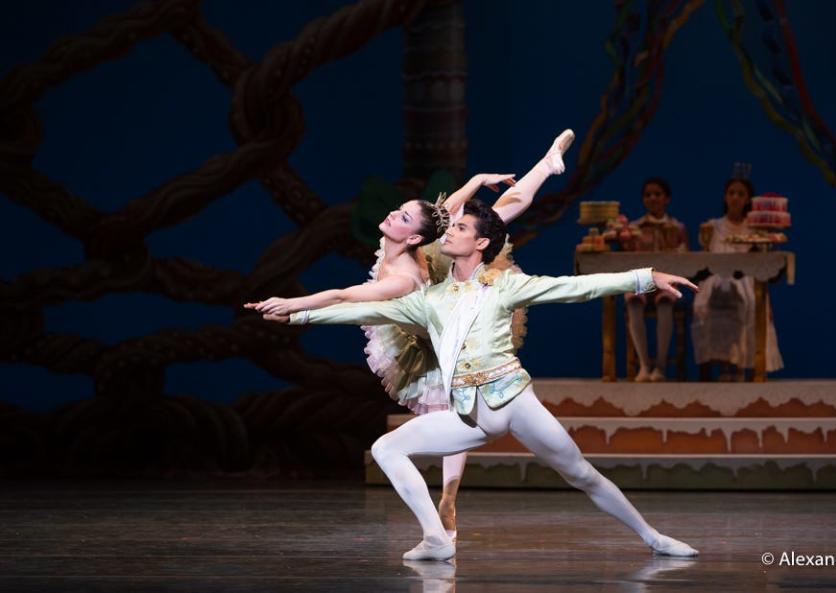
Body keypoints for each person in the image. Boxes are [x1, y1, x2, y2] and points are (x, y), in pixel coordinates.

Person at [260, 198, 700, 561]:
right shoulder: (430, 299)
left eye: (462, 229)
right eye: (451, 227)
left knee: (580, 473)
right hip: (472, 414)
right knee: (386, 448)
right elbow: (359, 308)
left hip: (514, 401)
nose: (449, 232)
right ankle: (436, 539)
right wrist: (298, 314)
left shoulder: (504, 286)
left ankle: (653, 538)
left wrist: (646, 277)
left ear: (482, 242)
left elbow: (574, 287)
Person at [245, 130, 576, 539]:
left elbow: (345, 296)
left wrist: (295, 304)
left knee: (496, 218)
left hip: (445, 325)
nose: (392, 215)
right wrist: (475, 179)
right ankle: (448, 500)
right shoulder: (413, 245)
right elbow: (442, 210)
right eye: (399, 212)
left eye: (403, 217)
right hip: (425, 326)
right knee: (446, 414)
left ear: (415, 237)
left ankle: (546, 163)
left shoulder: (402, 278)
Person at [691, 178, 783, 380]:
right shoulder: (711, 227)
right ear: (725, 196)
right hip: (716, 278)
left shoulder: (756, 230)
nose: (735, 197)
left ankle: (741, 365)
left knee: (748, 302)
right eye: (731, 192)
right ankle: (722, 364)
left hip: (745, 281)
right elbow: (705, 261)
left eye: (741, 194)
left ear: (748, 199)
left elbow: (761, 264)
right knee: (706, 305)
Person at [607, 177, 688, 382]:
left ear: (666, 198)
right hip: (642, 281)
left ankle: (660, 365)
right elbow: (628, 258)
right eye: (648, 194)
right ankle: (644, 364)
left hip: (666, 281)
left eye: (657, 194)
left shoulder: (677, 227)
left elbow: (685, 256)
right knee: (633, 301)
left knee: (665, 302)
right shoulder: (634, 229)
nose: (653, 198)